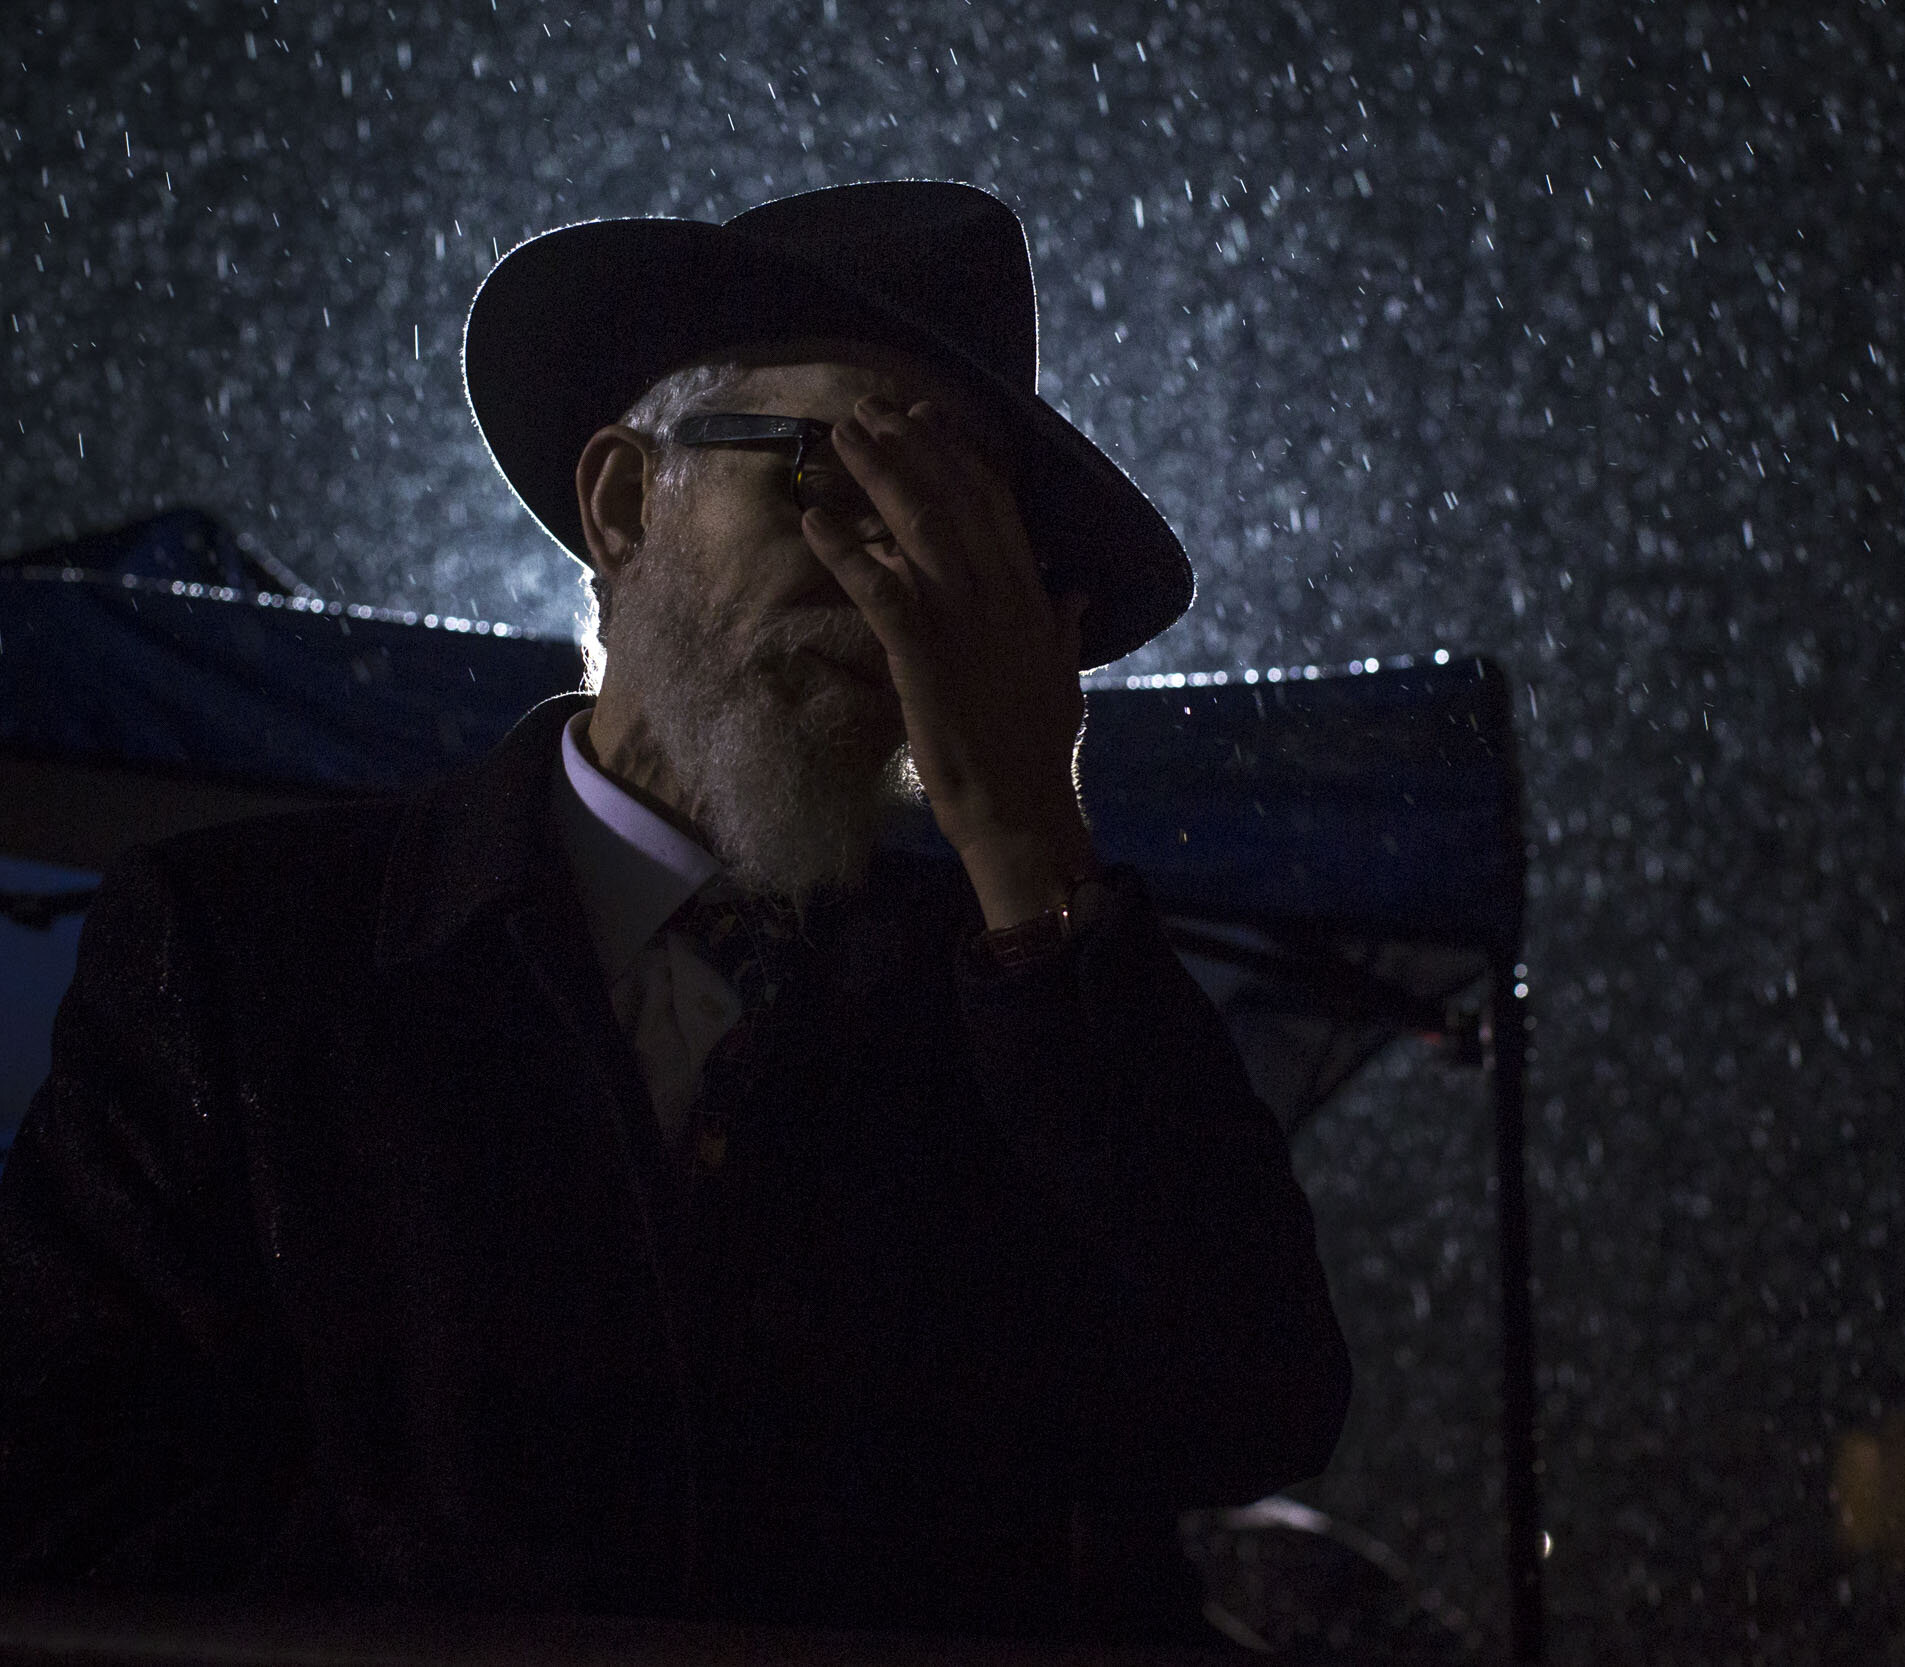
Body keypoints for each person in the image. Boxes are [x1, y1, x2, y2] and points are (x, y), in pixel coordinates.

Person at [0, 181, 1350, 1644]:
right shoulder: (246, 954)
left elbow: (1252, 1404)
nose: (890, 581)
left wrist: (1035, 855)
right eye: (837, 476)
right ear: (627, 502)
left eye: (961, 530)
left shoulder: (1023, 997)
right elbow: (53, 1477)